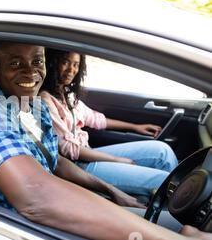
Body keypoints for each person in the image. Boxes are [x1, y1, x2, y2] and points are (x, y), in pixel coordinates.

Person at [0, 41, 212, 240]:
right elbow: (37, 195)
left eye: (37, 61)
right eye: (15, 63)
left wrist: (112, 191)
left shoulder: (32, 106)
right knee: (180, 236)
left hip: (56, 214)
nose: (30, 71)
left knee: (175, 223)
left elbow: (54, 163)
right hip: (31, 235)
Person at [39, 49, 178, 197]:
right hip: (77, 166)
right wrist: (117, 160)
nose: (71, 70)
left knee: (162, 151)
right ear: (53, 63)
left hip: (87, 152)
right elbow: (69, 149)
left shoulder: (67, 94)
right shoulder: (45, 99)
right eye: (65, 62)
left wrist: (135, 127)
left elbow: (96, 119)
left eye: (75, 64)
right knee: (163, 181)